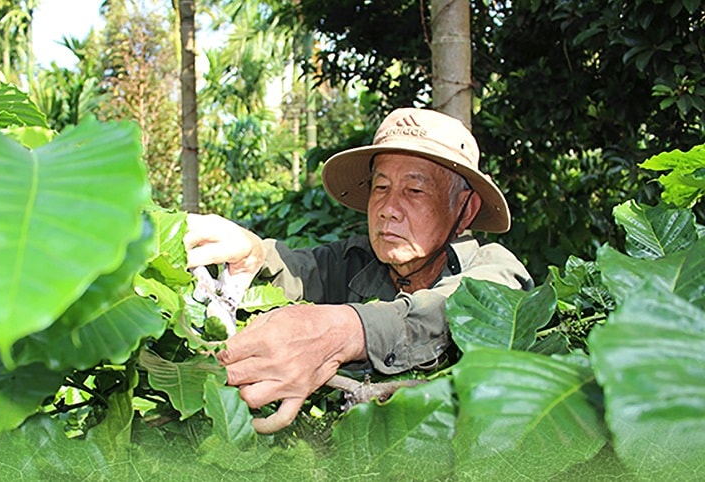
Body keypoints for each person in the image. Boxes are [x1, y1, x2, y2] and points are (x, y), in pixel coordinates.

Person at [184, 108, 533, 433]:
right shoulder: (356, 261)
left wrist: (342, 332)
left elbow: (453, 312)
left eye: (415, 190)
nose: (388, 209)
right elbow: (296, 269)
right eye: (381, 187)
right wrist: (254, 253)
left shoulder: (496, 271)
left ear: (465, 209)